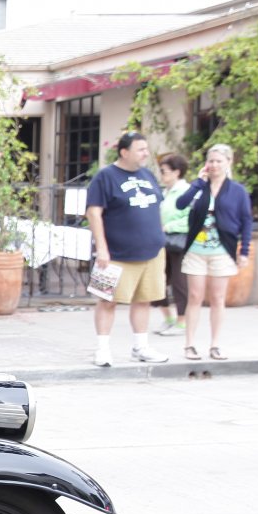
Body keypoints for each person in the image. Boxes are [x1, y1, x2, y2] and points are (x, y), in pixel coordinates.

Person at [85, 132, 170, 368]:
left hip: (152, 253)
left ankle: (140, 347)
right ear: (124, 152)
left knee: (144, 299)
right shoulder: (105, 177)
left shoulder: (147, 175)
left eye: (146, 149)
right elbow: (93, 213)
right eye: (140, 149)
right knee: (106, 300)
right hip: (115, 255)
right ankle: (102, 349)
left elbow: (156, 207)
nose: (146, 153)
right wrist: (102, 248)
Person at [175, 143, 253, 361]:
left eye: (219, 161)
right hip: (196, 251)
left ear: (228, 162)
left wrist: (244, 251)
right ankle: (189, 344)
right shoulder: (200, 187)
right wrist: (198, 183)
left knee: (218, 298)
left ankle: (215, 344)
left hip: (222, 251)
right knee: (194, 296)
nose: (215, 165)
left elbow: (246, 221)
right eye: (211, 161)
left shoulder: (237, 191)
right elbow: (180, 204)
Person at [153, 154, 191, 336]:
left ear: (177, 172)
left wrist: (168, 226)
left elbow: (191, 218)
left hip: (179, 241)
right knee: (157, 279)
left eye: (164, 171)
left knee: (179, 282)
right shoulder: (164, 192)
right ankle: (168, 318)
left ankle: (182, 321)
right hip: (161, 241)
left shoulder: (186, 191)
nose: (161, 175)